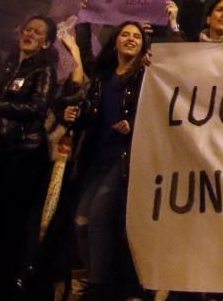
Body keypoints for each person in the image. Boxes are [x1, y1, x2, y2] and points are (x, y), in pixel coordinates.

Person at [63, 22, 149, 301]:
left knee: (99, 216)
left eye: (137, 36)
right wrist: (76, 117)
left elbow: (154, 112)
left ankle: (97, 286)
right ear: (116, 42)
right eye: (125, 34)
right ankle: (94, 278)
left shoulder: (145, 78)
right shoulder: (102, 78)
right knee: (81, 222)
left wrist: (132, 122)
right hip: (96, 159)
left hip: (122, 160)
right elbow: (91, 114)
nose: (131, 39)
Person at [0, 16, 59, 299]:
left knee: (14, 218)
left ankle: (8, 279)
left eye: (37, 32)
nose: (29, 34)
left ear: (47, 42)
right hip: (0, 149)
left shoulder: (44, 68)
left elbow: (36, 107)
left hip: (25, 152)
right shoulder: (8, 64)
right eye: (27, 29)